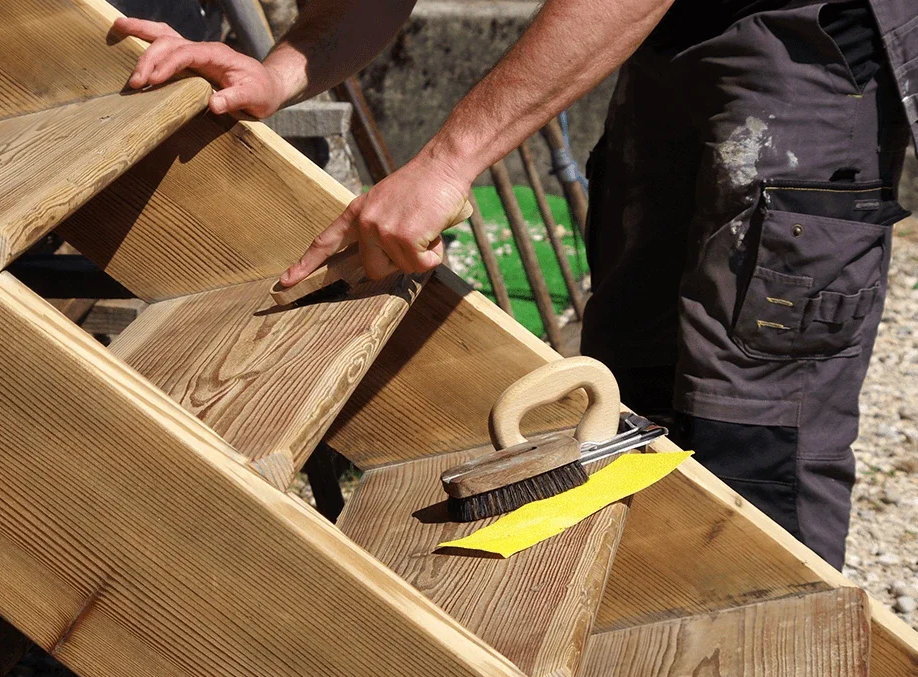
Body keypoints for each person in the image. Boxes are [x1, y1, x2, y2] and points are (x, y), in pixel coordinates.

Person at [113, 0, 918, 569]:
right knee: (634, 401)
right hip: (669, 43)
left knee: (755, 440)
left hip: (802, 44)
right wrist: (282, 71)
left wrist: (450, 160)